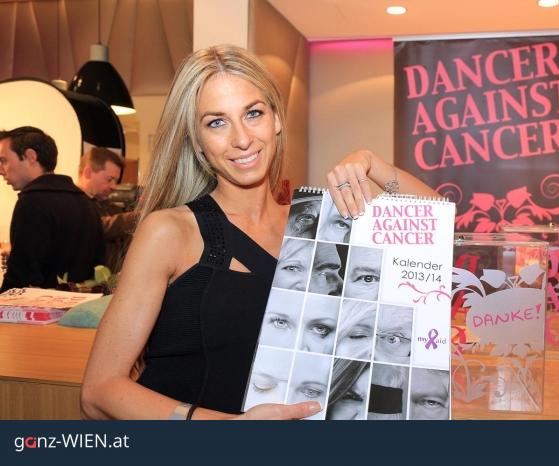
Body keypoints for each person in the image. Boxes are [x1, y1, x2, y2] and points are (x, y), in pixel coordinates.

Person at [80, 44, 436, 420]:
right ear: (196, 140)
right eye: (216, 122)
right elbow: (98, 392)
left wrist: (372, 163)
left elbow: (435, 227)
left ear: (276, 119)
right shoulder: (171, 231)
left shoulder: (316, 229)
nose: (242, 138)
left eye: (253, 113)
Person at [0, 126, 104, 292]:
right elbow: (99, 270)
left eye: (3, 160)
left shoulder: (32, 202)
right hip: (84, 305)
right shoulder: (86, 202)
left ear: (30, 156)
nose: (1, 170)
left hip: (39, 306)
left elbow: (21, 278)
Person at [77, 147, 137, 272]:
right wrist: (136, 217)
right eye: (109, 179)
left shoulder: (110, 206)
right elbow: (96, 226)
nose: (114, 186)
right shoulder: (70, 203)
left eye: (116, 181)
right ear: (88, 173)